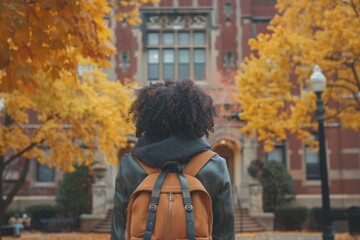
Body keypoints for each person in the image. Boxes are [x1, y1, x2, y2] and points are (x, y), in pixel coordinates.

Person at [111, 79, 235, 240]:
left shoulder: (130, 165)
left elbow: (119, 231)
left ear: (147, 118)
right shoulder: (215, 165)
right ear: (196, 117)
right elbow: (224, 233)